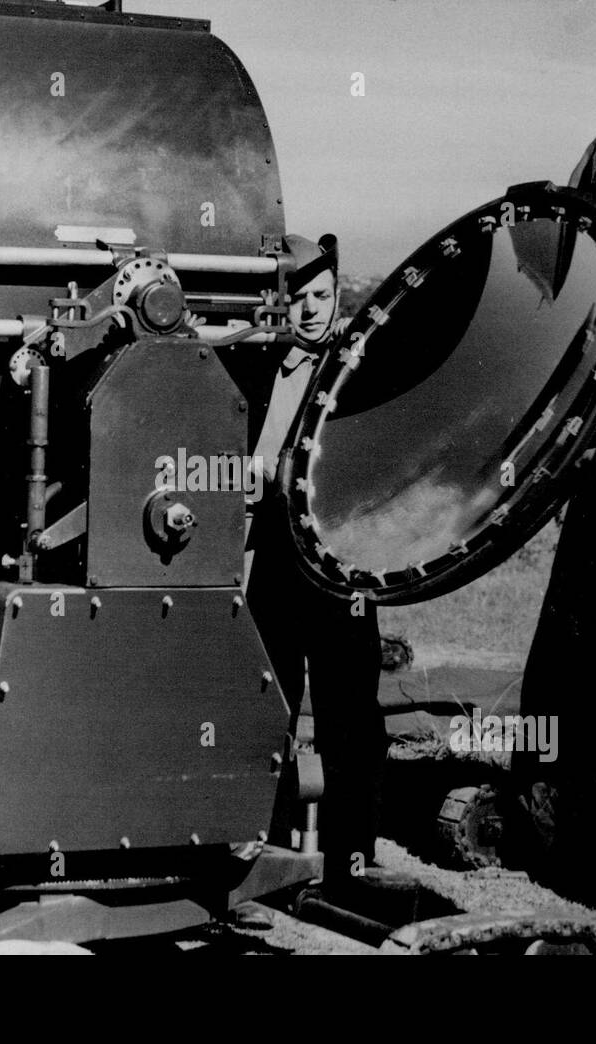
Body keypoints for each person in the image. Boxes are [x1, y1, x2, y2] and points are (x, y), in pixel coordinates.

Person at [243, 233, 390, 894]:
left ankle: (350, 857)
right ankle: (270, 849)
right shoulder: (262, 364)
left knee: (349, 714)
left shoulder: (357, 366)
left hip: (339, 556)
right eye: (297, 298)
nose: (309, 310)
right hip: (277, 552)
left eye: (322, 296)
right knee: (269, 701)